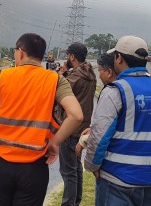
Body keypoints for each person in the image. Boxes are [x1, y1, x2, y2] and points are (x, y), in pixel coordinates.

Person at [0, 33, 83, 206]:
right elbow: (76, 115)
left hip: (1, 164)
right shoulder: (55, 80)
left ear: (20, 52)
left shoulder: (2, 76)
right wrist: (54, 142)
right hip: (35, 166)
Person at [84, 35, 151, 206]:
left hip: (116, 182)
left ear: (118, 58)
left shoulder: (114, 91)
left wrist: (92, 166)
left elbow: (99, 137)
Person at [58, 42, 96, 206]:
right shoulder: (90, 74)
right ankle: (76, 201)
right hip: (82, 129)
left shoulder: (74, 77)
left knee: (68, 171)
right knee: (76, 168)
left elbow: (57, 92)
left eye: (68, 55)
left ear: (72, 56)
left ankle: (69, 203)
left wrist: (61, 75)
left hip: (70, 129)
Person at [75, 52, 118, 156]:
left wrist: (92, 164)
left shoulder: (111, 93)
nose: (99, 75)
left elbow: (103, 132)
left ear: (109, 72)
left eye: (100, 71)